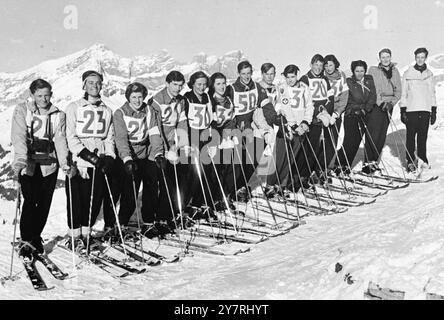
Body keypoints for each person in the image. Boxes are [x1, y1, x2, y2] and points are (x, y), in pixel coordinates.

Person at [11, 79, 72, 259]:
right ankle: (26, 239)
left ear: (51, 94)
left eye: (47, 95)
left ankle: (35, 237)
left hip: (49, 164)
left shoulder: (57, 114)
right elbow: (19, 135)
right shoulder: (22, 110)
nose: (43, 99)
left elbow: (60, 140)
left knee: (44, 203)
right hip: (29, 164)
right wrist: (21, 159)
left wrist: (64, 162)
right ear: (32, 95)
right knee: (30, 201)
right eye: (39, 96)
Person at [65, 70, 115, 249]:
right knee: (76, 201)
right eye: (91, 83)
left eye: (98, 83)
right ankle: (74, 236)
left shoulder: (107, 110)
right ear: (84, 85)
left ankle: (86, 234)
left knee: (93, 201)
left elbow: (109, 137)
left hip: (99, 163)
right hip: (80, 162)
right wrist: (86, 154)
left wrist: (109, 156)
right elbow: (70, 136)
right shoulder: (73, 107)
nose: (94, 86)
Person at [113, 82, 165, 239]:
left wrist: (158, 154)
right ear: (128, 97)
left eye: (140, 97)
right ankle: (121, 224)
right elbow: (121, 138)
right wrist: (127, 158)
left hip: (146, 153)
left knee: (151, 188)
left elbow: (154, 133)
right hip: (129, 156)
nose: (137, 100)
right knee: (130, 192)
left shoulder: (149, 110)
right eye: (133, 97)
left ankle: (148, 223)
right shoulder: (120, 113)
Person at [227, 61, 274, 202]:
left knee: (254, 158)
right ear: (238, 74)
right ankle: (234, 188)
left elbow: (265, 105)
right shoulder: (232, 88)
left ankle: (243, 185)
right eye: (243, 74)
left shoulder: (256, 87)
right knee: (239, 160)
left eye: (248, 73)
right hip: (238, 126)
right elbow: (227, 109)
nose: (246, 76)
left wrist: (273, 118)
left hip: (253, 125)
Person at [263, 64, 313, 195]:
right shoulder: (282, 88)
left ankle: (281, 184)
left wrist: (305, 122)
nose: (291, 79)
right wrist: (293, 125)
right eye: (288, 77)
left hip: (300, 128)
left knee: (291, 158)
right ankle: (269, 184)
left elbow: (309, 106)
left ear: (297, 75)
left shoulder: (304, 87)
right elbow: (285, 108)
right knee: (280, 157)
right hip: (286, 127)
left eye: (293, 76)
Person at [149, 70, 189, 233]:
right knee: (163, 183)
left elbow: (182, 122)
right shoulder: (157, 101)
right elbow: (155, 128)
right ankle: (156, 218)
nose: (178, 89)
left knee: (174, 182)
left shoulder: (180, 101)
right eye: (174, 85)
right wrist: (164, 150)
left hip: (173, 144)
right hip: (158, 146)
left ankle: (168, 215)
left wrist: (180, 144)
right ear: (167, 83)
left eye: (180, 86)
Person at [182, 71, 217, 220]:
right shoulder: (187, 98)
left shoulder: (207, 97)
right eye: (199, 84)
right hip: (192, 137)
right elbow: (184, 122)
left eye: (204, 84)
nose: (202, 87)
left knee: (205, 172)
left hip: (205, 136)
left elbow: (211, 118)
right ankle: (187, 205)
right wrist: (189, 143)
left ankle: (200, 202)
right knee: (193, 173)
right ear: (192, 84)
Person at [296, 54, 334, 187]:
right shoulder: (305, 79)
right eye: (316, 65)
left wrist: (325, 110)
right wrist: (317, 111)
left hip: (320, 118)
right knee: (307, 149)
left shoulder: (324, 79)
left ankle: (309, 173)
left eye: (320, 65)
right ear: (311, 65)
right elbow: (303, 100)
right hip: (309, 118)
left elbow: (330, 97)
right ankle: (301, 175)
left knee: (316, 147)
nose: (318, 68)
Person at [399, 47, 437, 176]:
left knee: (422, 137)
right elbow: (404, 93)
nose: (420, 60)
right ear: (415, 58)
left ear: (425, 58)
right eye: (418, 57)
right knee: (411, 137)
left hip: (425, 110)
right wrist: (403, 110)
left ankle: (422, 159)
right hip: (412, 109)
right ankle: (410, 161)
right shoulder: (408, 73)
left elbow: (432, 93)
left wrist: (434, 109)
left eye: (422, 57)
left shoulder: (429, 74)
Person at [365, 48, 402, 174]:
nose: (385, 59)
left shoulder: (395, 71)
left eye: (387, 57)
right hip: (377, 105)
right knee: (373, 133)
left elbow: (398, 91)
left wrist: (391, 104)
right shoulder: (374, 70)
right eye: (383, 57)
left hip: (389, 106)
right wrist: (381, 103)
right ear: (379, 59)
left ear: (390, 57)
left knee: (381, 134)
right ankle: (368, 162)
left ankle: (374, 161)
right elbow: (372, 89)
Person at [335, 61, 377, 173]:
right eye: (357, 71)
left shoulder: (369, 80)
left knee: (357, 141)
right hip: (352, 114)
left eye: (362, 71)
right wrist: (356, 109)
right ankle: (339, 164)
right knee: (349, 141)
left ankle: (346, 165)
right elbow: (347, 99)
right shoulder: (349, 82)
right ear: (353, 71)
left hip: (363, 114)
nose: (359, 73)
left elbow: (373, 96)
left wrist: (366, 109)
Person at [208, 72, 238, 211]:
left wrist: (230, 135)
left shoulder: (228, 100)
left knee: (227, 167)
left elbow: (231, 119)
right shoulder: (210, 100)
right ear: (213, 85)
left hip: (225, 136)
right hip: (213, 137)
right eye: (218, 84)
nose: (222, 86)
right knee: (214, 171)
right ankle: (212, 199)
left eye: (223, 83)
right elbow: (209, 122)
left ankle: (224, 196)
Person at [322, 55, 349, 174]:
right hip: (323, 113)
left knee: (332, 141)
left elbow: (344, 96)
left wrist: (337, 112)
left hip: (335, 113)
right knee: (322, 141)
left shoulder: (341, 76)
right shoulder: (322, 77)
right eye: (326, 65)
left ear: (335, 64)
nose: (328, 68)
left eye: (330, 65)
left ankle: (326, 166)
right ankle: (318, 167)